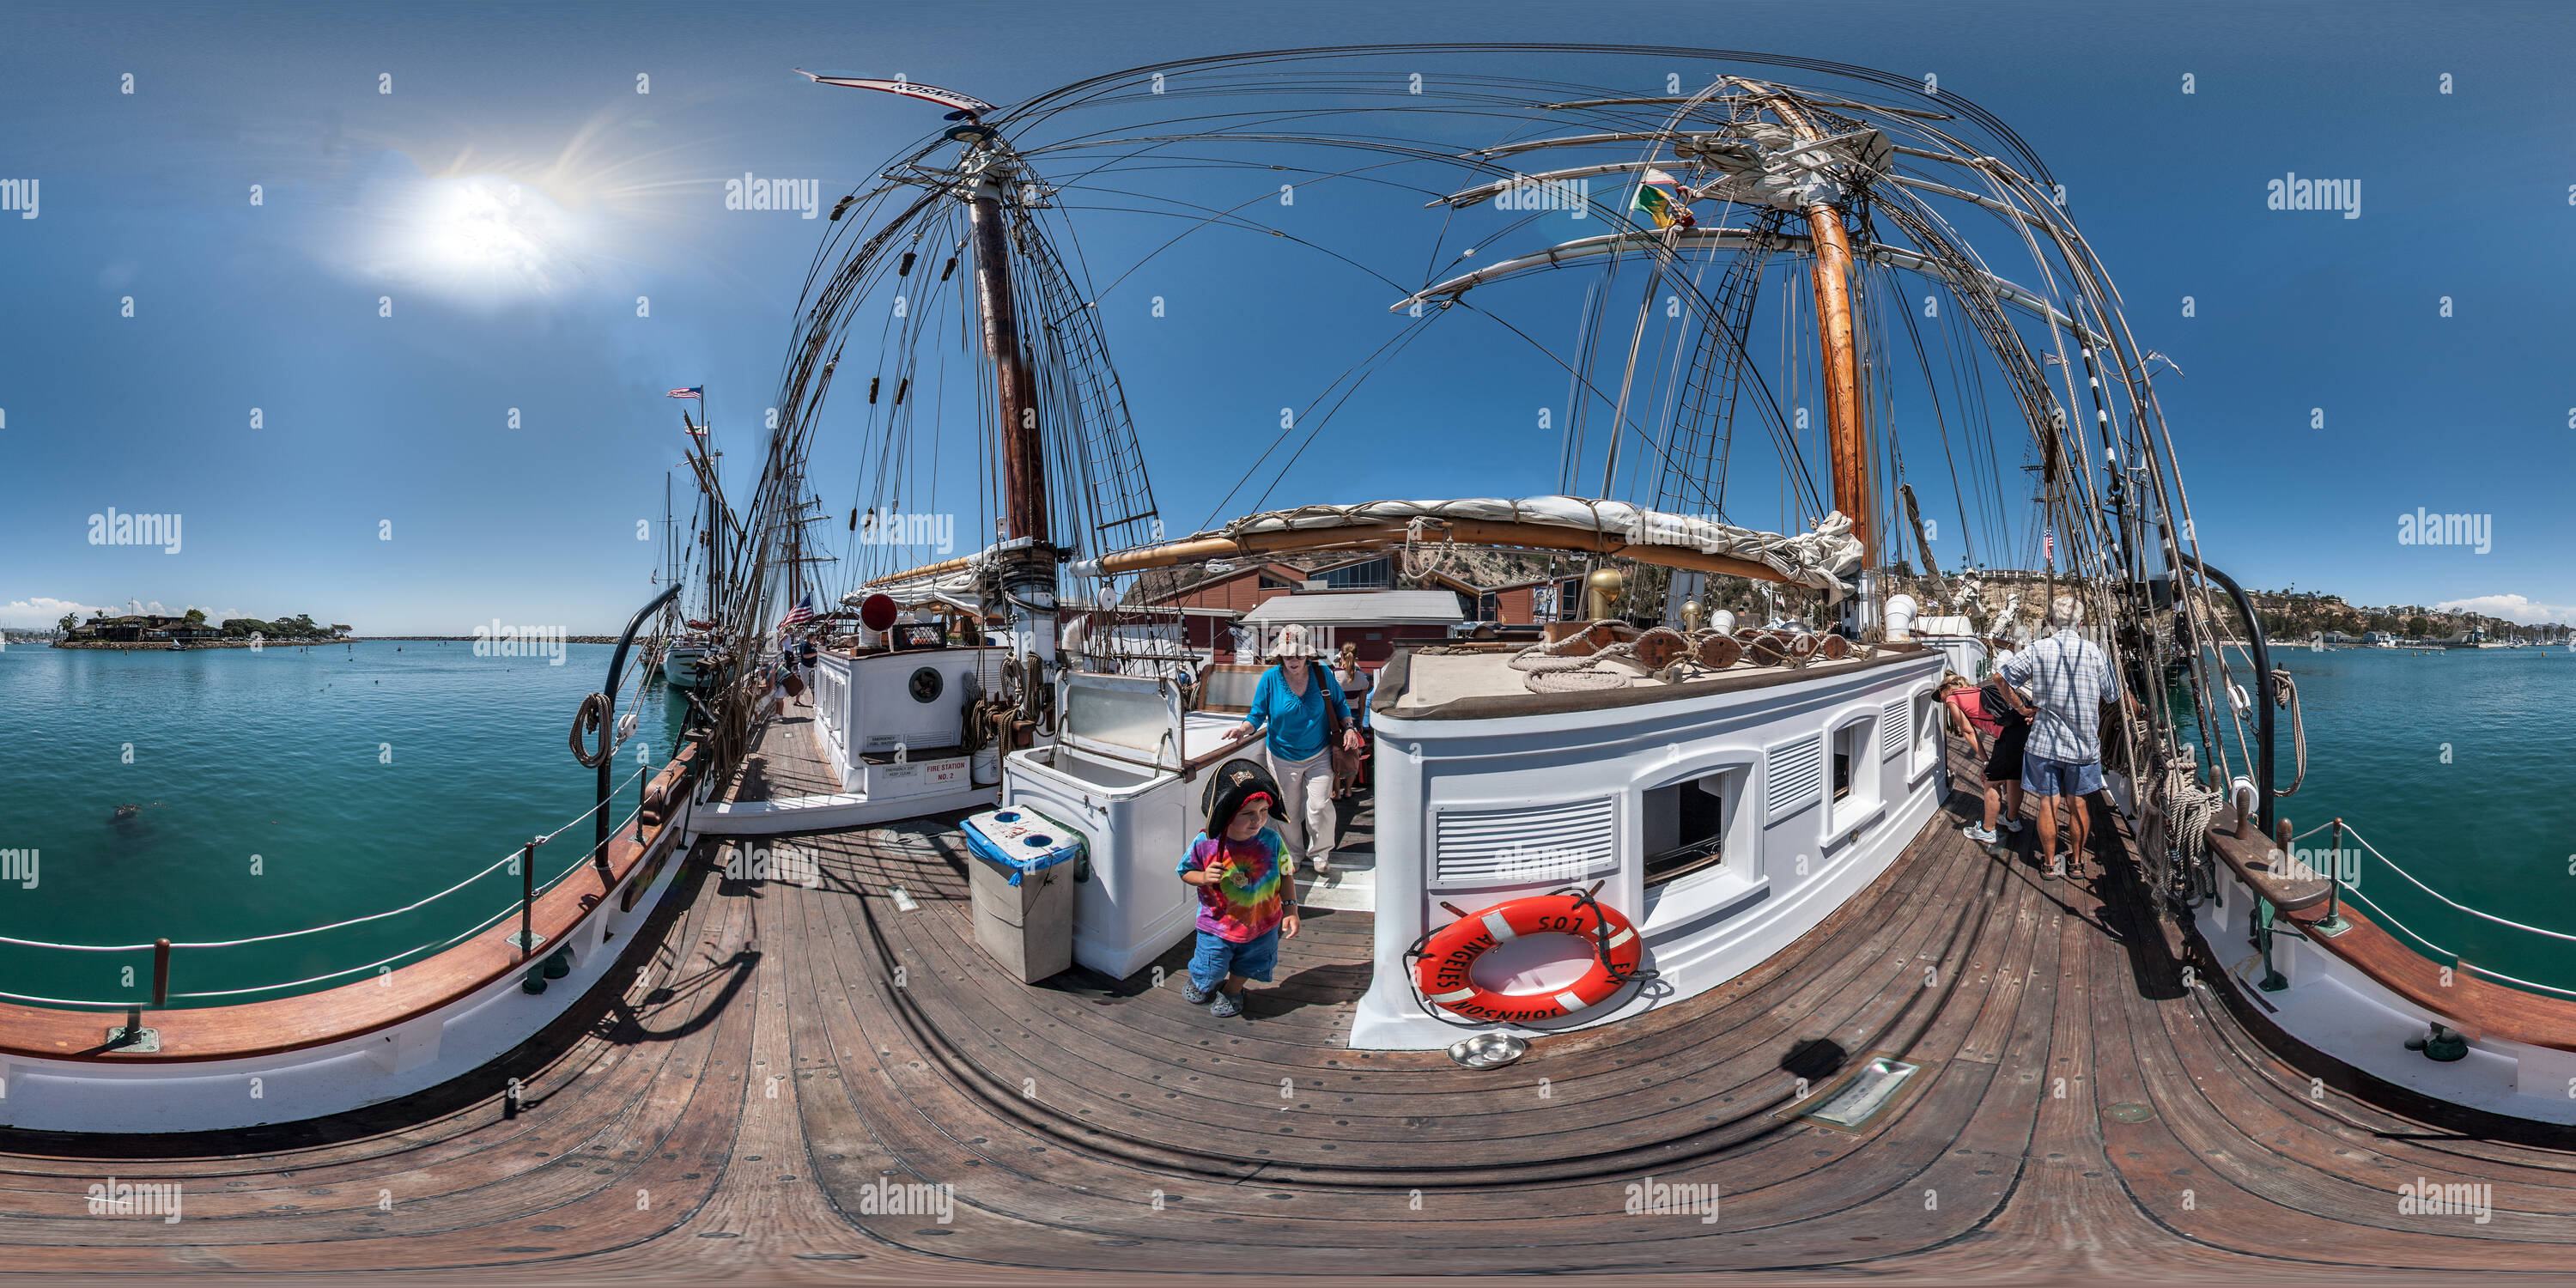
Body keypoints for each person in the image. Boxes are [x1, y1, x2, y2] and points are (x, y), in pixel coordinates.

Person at [1999, 594, 2142, 878]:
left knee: (2047, 803)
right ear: (2081, 624)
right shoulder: (2094, 653)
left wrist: (2022, 708)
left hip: (2044, 746)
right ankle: (2076, 862)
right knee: (2078, 804)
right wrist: (2141, 710)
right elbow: (2116, 696)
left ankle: (2050, 864)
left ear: (2051, 622)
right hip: (2082, 747)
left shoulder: (2038, 649)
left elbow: (2000, 678)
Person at [1230, 624, 1361, 874]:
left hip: (1319, 753)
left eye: (1299, 655)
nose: (1294, 660)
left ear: (1308, 655)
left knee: (1319, 806)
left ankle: (1321, 853)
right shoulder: (1270, 679)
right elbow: (1257, 714)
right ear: (1280, 656)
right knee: (1287, 810)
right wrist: (1243, 729)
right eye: (1288, 655)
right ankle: (1294, 853)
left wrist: (1350, 728)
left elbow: (1340, 704)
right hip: (1281, 757)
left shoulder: (1323, 675)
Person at [1176, 771, 1299, 1019]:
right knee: (1210, 964)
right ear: (1227, 813)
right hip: (1216, 925)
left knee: (1251, 962)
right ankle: (1204, 980)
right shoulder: (1205, 842)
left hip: (1262, 924)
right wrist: (1202, 877)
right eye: (1248, 814)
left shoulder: (1273, 841)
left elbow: (1286, 874)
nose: (1258, 820)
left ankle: (1233, 989)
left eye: (1264, 811)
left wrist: (1291, 909)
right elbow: (1185, 871)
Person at [1938, 673, 2026, 848]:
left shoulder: (1953, 699)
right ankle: (2012, 820)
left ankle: (1987, 831)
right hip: (2022, 729)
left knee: (1991, 782)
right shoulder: (1976, 690)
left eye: (1940, 691)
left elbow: (1968, 731)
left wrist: (1986, 762)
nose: (1940, 698)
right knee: (2014, 778)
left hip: (2008, 735)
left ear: (1948, 688)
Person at [1331, 642, 1372, 799]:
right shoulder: (1361, 677)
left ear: (1341, 655)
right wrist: (1360, 723)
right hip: (1354, 717)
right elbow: (1362, 704)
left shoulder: (1333, 676)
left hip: (1336, 720)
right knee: (1353, 754)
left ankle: (1336, 792)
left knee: (1335, 755)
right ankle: (1348, 790)